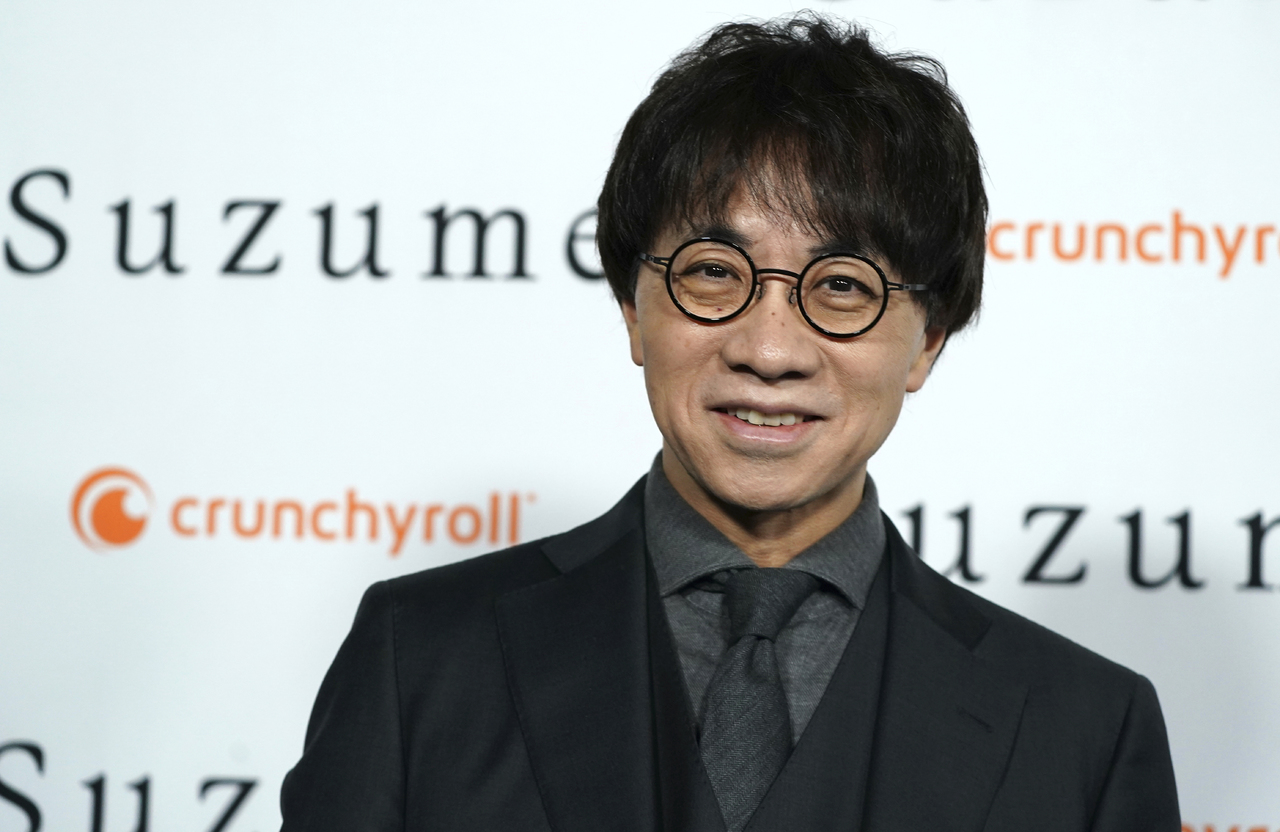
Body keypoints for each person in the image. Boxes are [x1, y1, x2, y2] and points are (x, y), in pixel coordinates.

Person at [280, 15, 1180, 831]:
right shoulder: (420, 658)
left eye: (843, 286)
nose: (770, 350)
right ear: (632, 309)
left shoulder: (1084, 729)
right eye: (714, 272)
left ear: (928, 342)